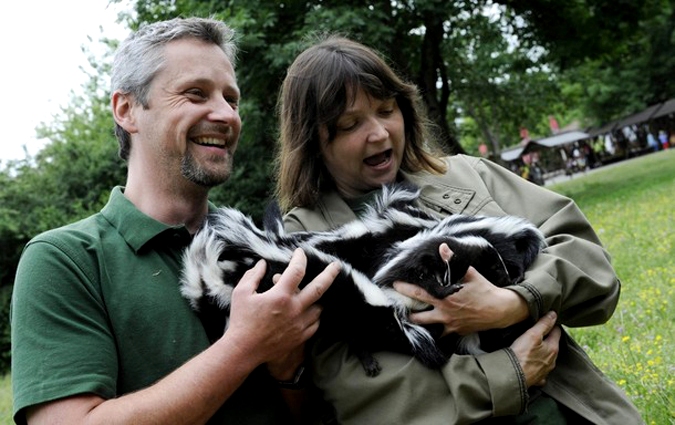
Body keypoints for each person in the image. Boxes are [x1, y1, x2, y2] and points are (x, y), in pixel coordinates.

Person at [274, 36, 644, 424]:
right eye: (350, 124)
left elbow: (591, 266)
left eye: (386, 110)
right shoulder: (302, 244)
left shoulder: (467, 175)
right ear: (314, 139)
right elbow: (355, 389)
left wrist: (513, 303)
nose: (380, 133)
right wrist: (506, 374)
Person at [10, 17, 339, 424]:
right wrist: (244, 347)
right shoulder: (65, 260)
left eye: (231, 99)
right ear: (127, 109)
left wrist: (289, 370)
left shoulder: (265, 247)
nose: (226, 115)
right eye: (195, 93)